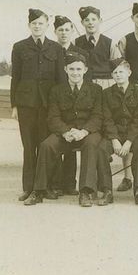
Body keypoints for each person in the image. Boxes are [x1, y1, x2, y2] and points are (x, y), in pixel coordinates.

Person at [24, 52, 108, 207]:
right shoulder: (57, 90)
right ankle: (39, 190)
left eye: (78, 69)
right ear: (65, 69)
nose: (75, 72)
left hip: (87, 133)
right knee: (46, 145)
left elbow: (98, 117)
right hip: (66, 133)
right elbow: (53, 117)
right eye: (72, 69)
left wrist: (83, 131)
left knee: (91, 145)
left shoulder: (96, 90)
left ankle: (85, 191)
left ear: (85, 70)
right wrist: (65, 132)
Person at [10, 9, 65, 201]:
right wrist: (14, 106)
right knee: (29, 146)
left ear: (47, 25)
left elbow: (61, 79)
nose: (37, 26)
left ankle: (49, 187)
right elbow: (15, 77)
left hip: (48, 105)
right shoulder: (19, 47)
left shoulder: (56, 48)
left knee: (46, 146)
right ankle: (29, 187)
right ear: (29, 26)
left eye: (41, 23)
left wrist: (60, 107)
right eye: (34, 24)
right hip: (26, 105)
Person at [98, 59, 138, 205]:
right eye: (115, 72)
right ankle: (107, 191)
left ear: (129, 73)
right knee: (101, 149)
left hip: (133, 135)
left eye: (121, 72)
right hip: (114, 135)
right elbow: (107, 119)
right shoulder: (106, 93)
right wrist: (114, 139)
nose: (118, 75)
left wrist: (129, 141)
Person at [52, 15, 89, 196]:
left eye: (67, 29)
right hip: (57, 100)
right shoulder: (51, 50)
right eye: (60, 30)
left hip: (76, 102)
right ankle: (57, 183)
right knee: (59, 142)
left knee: (73, 144)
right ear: (55, 32)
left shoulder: (80, 51)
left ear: (72, 31)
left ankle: (70, 183)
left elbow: (85, 80)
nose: (64, 33)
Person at [74, 6, 120, 88]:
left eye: (93, 19)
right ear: (82, 22)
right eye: (86, 20)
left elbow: (118, 67)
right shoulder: (76, 43)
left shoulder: (110, 43)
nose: (90, 23)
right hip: (84, 85)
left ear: (100, 21)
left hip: (106, 85)